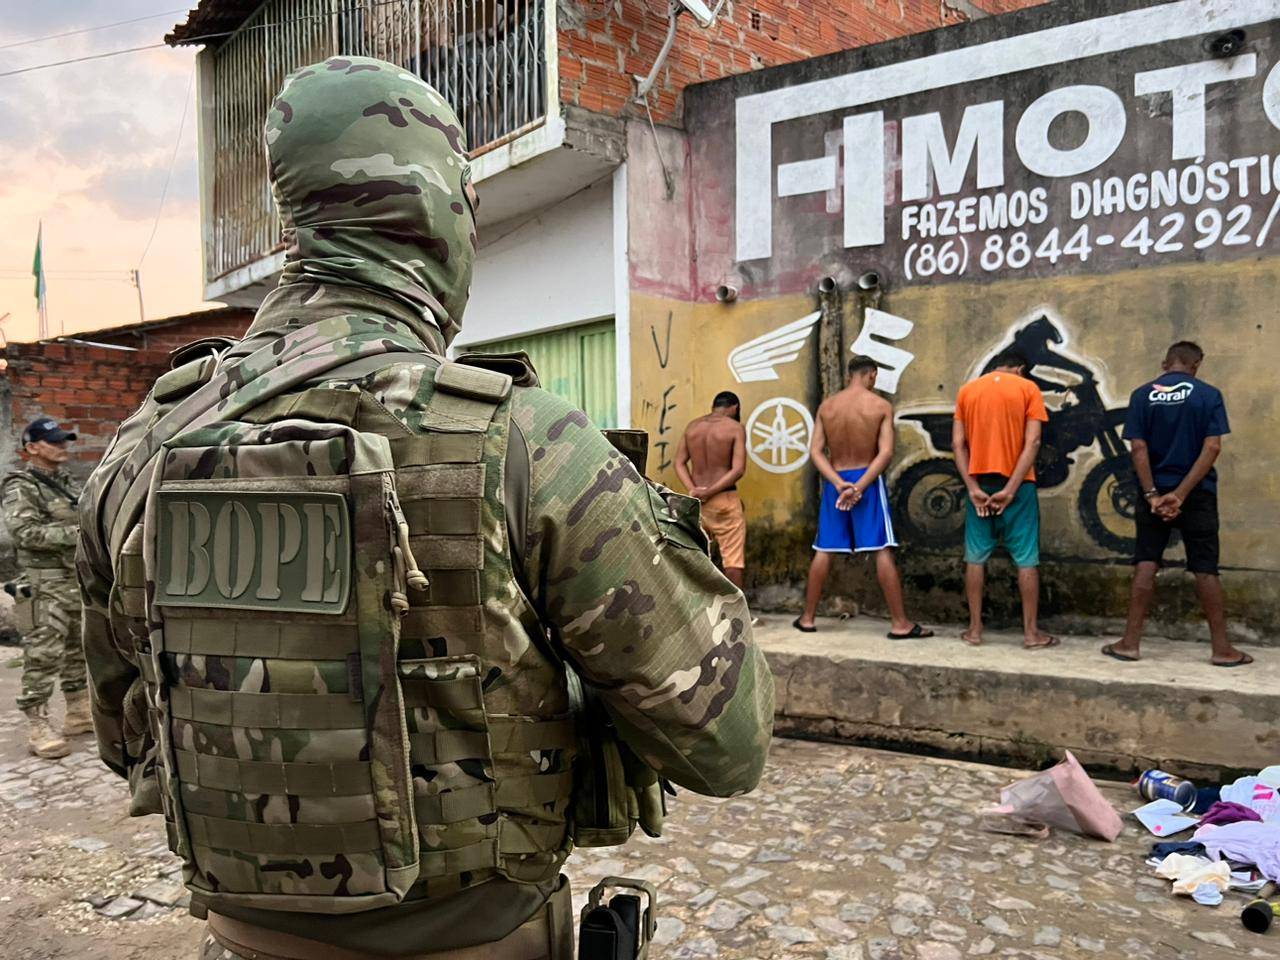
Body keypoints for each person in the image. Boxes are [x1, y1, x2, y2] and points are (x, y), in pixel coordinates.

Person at [77, 58, 773, 960]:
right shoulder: (526, 446)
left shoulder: (141, 451)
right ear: (441, 216)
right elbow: (727, 740)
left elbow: (129, 736)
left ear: (303, 219)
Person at [1102, 341, 1251, 666]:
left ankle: (1129, 643)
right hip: (1196, 494)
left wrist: (1154, 495)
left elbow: (1138, 449)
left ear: (1165, 363)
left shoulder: (1142, 395)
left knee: (1146, 561)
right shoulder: (1208, 395)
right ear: (1196, 364)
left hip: (1152, 493)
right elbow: (1212, 448)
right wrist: (1181, 495)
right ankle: (1222, 649)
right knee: (1205, 567)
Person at [794, 357, 931, 638]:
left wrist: (837, 483)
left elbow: (817, 452)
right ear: (872, 375)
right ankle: (900, 624)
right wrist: (860, 487)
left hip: (837, 481)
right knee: (881, 548)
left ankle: (807, 618)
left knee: (824, 549)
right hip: (866, 482)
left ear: (849, 375)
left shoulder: (828, 407)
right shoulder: (880, 406)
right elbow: (885, 453)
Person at [952, 350, 1056, 649]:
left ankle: (974, 630)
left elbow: (958, 443)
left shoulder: (968, 391)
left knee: (975, 557)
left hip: (980, 487)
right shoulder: (1028, 389)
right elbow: (1033, 441)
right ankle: (1031, 633)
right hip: (1018, 487)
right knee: (1026, 559)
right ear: (1021, 369)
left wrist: (972, 487)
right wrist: (1011, 488)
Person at [1, 417, 90, 759]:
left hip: (72, 580)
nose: (62, 446)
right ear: (32, 448)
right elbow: (25, 533)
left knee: (77, 648)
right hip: (42, 584)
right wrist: (76, 536)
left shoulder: (66, 481)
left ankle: (79, 712)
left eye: (64, 440)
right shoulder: (20, 485)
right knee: (42, 655)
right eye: (54, 441)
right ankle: (38, 725)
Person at [674, 391, 748, 588]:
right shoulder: (735, 429)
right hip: (724, 499)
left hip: (697, 503)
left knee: (696, 558)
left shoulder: (693, 427)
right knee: (733, 560)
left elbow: (679, 463)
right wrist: (711, 491)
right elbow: (738, 469)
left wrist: (695, 490)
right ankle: (736, 615)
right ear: (734, 408)